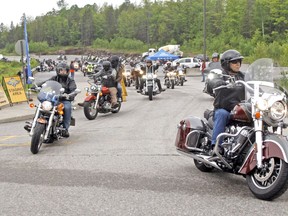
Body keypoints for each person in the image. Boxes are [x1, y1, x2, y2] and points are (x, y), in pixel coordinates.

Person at [210, 49, 245, 155]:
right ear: (226, 63)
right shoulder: (221, 75)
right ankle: (216, 147)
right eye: (235, 62)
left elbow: (254, 85)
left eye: (239, 61)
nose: (238, 64)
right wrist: (218, 82)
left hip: (240, 109)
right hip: (225, 109)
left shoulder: (243, 76)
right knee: (222, 114)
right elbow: (212, 82)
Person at [38, 62, 77, 138]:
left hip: (64, 99)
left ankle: (65, 128)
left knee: (67, 108)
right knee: (42, 105)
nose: (63, 72)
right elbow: (45, 83)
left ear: (67, 71)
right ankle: (36, 122)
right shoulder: (54, 78)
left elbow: (73, 89)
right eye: (61, 70)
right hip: (53, 98)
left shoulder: (70, 80)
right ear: (58, 71)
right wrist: (37, 86)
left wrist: (70, 95)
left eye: (65, 70)